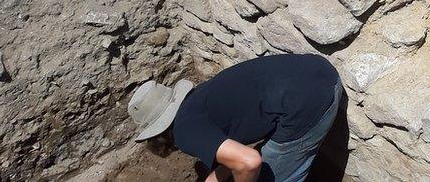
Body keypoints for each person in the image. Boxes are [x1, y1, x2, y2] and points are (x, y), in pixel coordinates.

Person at [129, 54, 343, 182]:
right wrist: (218, 176)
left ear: (158, 134)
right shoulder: (199, 100)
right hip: (316, 70)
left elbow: (249, 161)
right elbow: (238, 154)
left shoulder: (184, 133)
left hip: (311, 101)